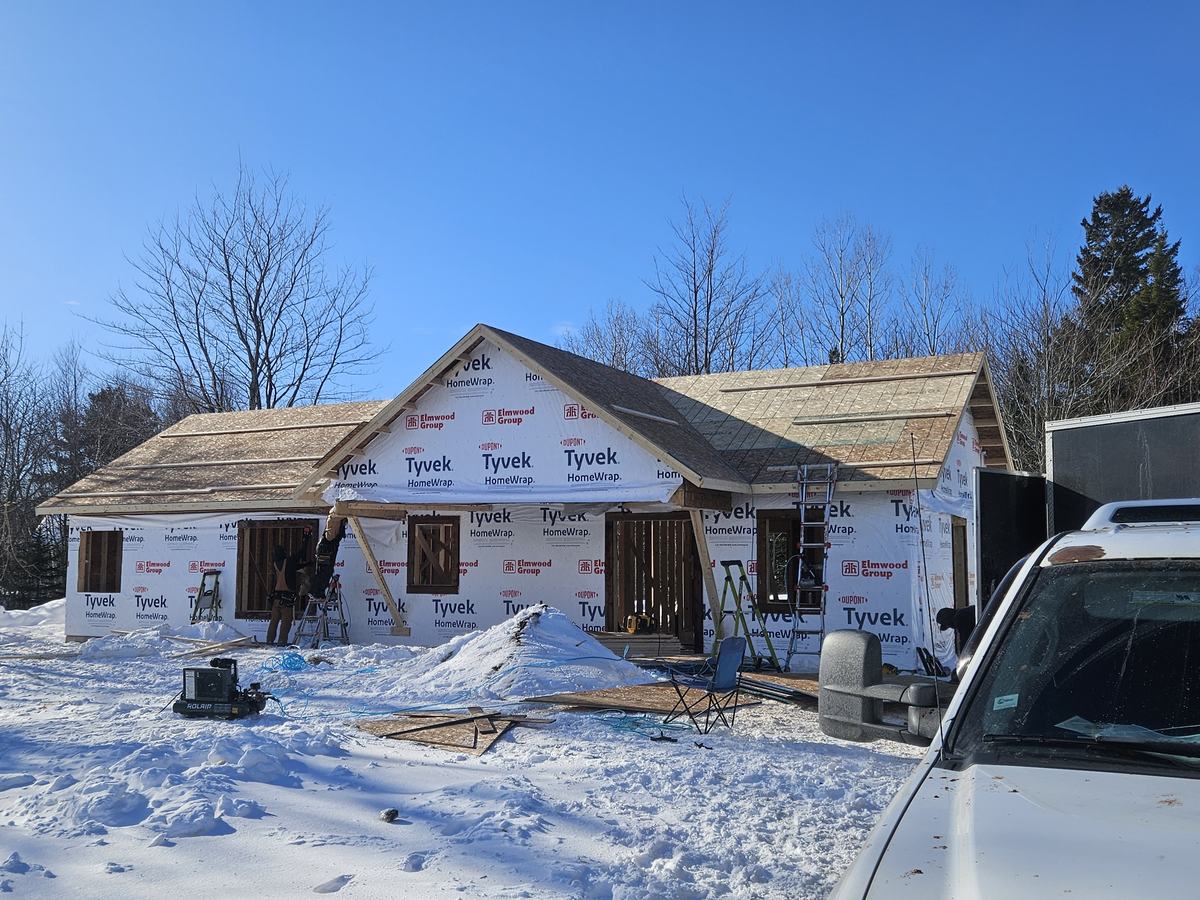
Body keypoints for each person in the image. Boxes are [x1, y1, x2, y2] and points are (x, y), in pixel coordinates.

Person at [265, 528, 311, 645]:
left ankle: (269, 641)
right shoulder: (288, 562)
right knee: (286, 622)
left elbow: (291, 569)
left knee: (274, 621)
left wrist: (305, 564)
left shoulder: (276, 564)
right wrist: (306, 538)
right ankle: (281, 642)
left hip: (276, 599)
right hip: (287, 599)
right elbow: (301, 554)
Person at [307, 513, 347, 600]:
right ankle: (315, 592)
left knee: (326, 571)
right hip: (325, 549)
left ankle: (318, 592)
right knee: (324, 571)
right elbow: (330, 535)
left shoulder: (336, 518)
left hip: (327, 549)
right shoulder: (334, 518)